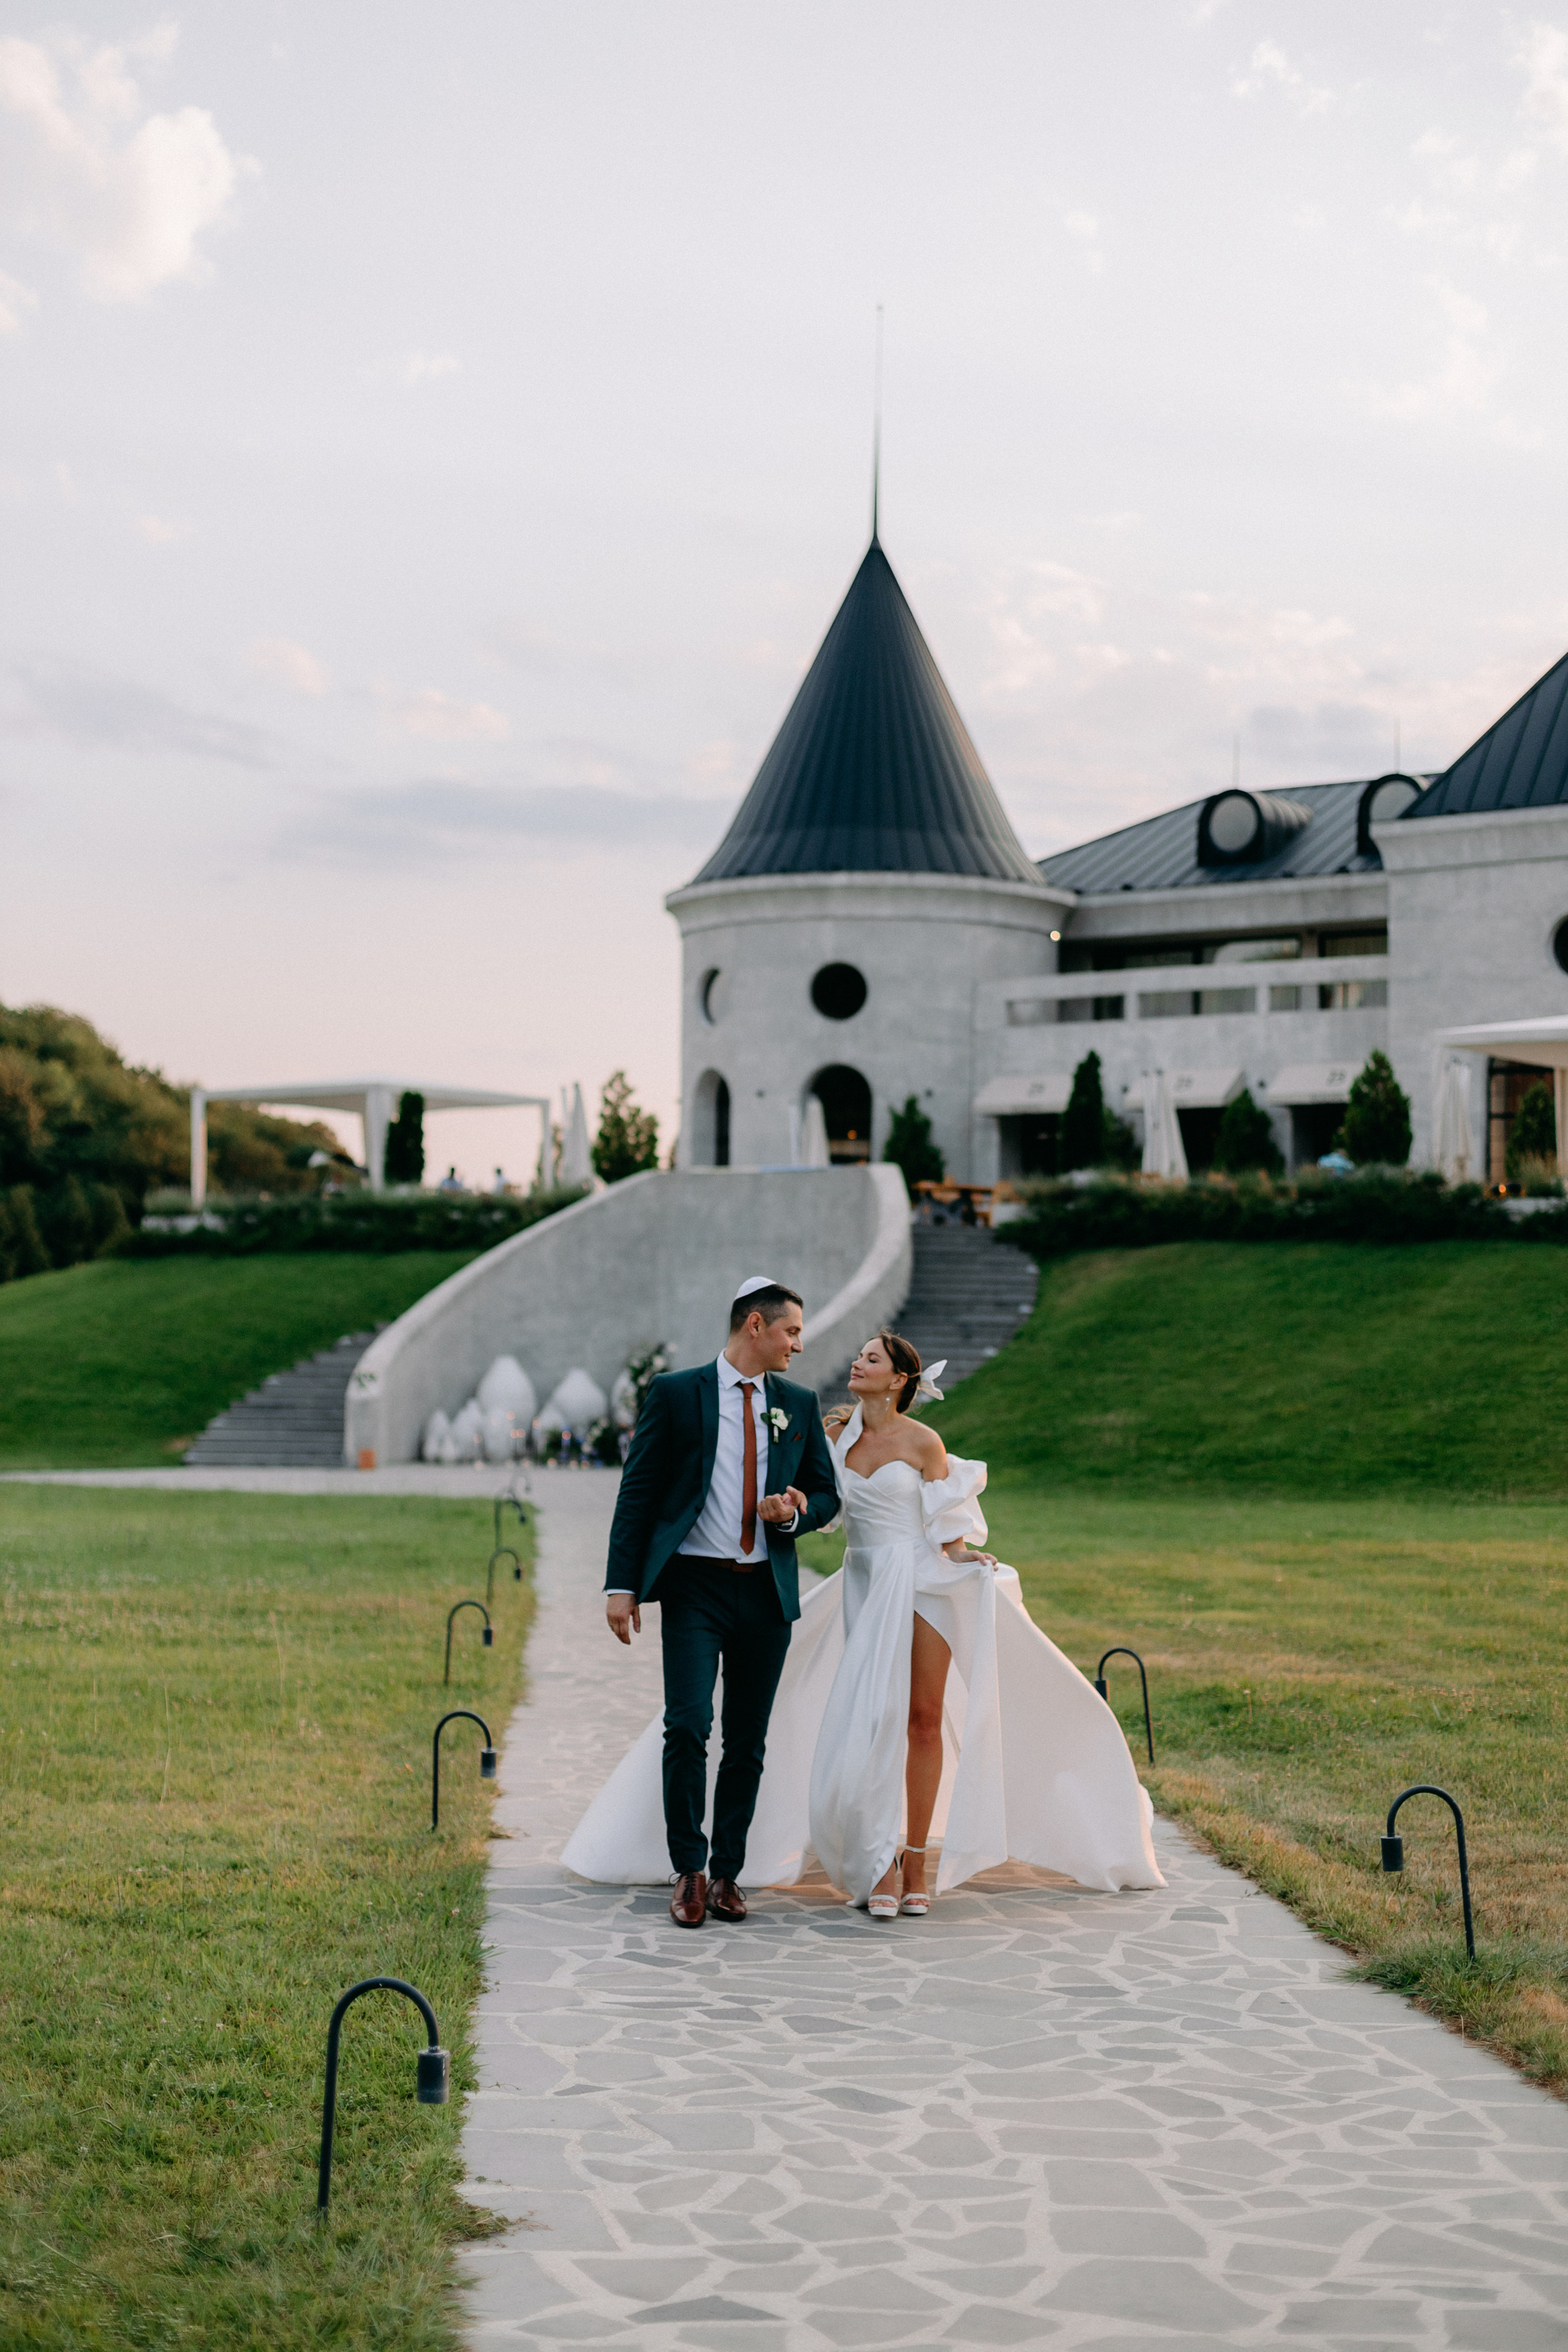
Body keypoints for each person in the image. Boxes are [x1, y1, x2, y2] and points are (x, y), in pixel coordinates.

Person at [562, 1322, 1162, 1913]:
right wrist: (789, 1506)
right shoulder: (834, 1437)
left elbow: (945, 1520)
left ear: (899, 1379)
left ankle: (915, 1858)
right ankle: (874, 1861)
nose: (856, 1364)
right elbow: (822, 1510)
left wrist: (963, 1558)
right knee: (871, 1720)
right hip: (864, 1582)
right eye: (859, 1356)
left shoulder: (924, 1442)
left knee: (921, 1720)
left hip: (924, 1581)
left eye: (870, 1359)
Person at [571, 1276, 840, 1929]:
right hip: (694, 1586)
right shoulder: (675, 1394)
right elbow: (638, 1492)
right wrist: (621, 1585)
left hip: (765, 1590)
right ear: (755, 1325)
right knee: (688, 1725)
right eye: (791, 1331)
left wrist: (794, 1513)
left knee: (748, 1740)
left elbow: (826, 1495)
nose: (797, 1346)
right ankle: (687, 1869)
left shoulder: (798, 1405)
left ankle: (727, 1875)